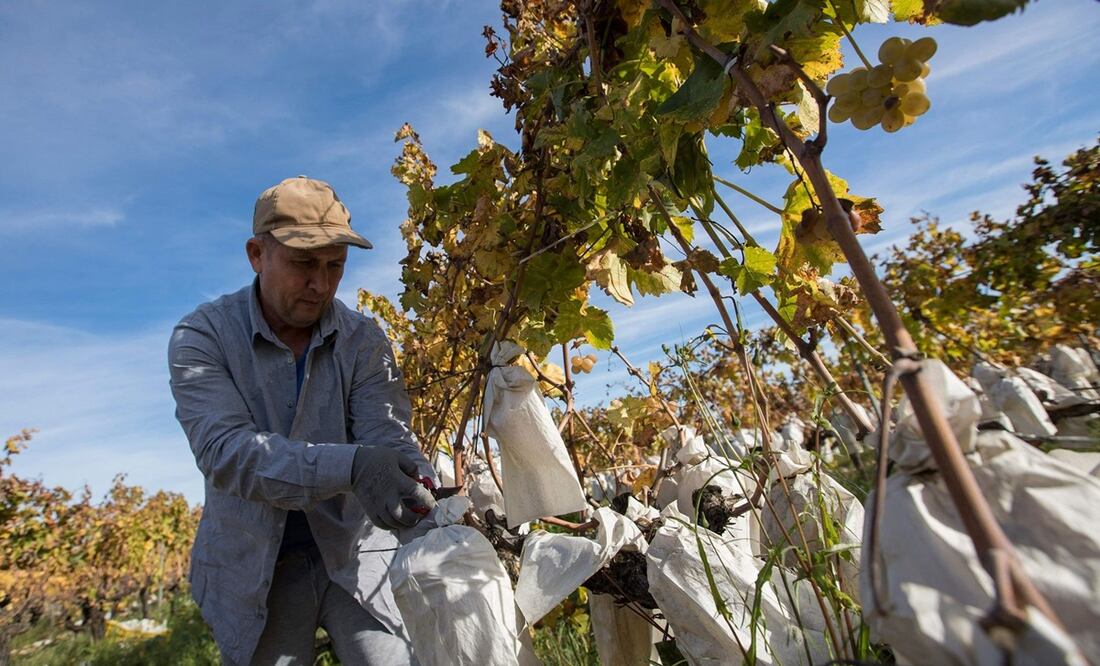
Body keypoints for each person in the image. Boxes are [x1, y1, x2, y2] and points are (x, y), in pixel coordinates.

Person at [168, 176, 435, 665]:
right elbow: (227, 454)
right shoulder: (202, 337)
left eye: (336, 266)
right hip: (255, 568)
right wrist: (353, 467)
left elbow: (387, 437)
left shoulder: (364, 341)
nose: (322, 284)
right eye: (304, 264)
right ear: (256, 254)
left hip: (356, 557)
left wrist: (419, 487)